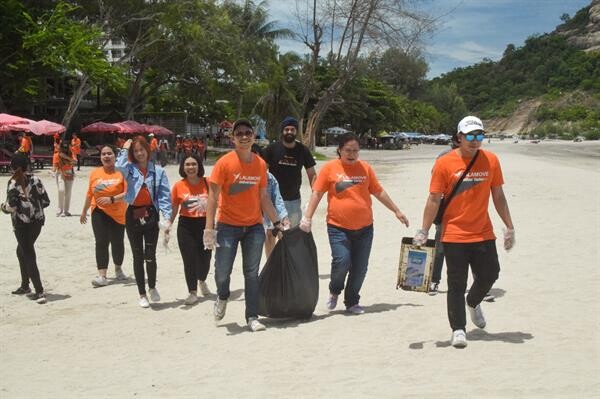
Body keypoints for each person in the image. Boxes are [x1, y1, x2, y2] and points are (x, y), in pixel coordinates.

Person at [413, 115, 515, 348]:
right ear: (459, 137)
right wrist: (424, 230)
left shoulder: (491, 160)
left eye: (479, 135)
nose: (475, 140)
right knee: (456, 283)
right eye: (470, 135)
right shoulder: (444, 163)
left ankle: (473, 301)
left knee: (491, 274)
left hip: (483, 232)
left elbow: (498, 196)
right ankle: (458, 329)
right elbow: (433, 199)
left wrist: (509, 226)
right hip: (453, 234)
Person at [300, 133, 409, 314]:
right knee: (342, 261)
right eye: (348, 150)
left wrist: (396, 210)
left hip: (365, 228)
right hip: (337, 227)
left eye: (355, 151)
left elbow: (378, 192)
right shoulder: (330, 169)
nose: (351, 154)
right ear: (340, 151)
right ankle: (335, 290)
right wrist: (308, 218)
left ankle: (351, 301)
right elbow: (317, 193)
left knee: (360, 267)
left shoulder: (365, 168)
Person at [204, 118, 282, 332]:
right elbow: (212, 197)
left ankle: (252, 316)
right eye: (239, 133)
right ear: (232, 138)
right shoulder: (224, 163)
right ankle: (222, 296)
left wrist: (276, 221)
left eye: (248, 132)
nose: (245, 136)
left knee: (251, 272)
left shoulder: (260, 164)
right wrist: (209, 229)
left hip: (254, 227)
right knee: (222, 272)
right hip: (227, 226)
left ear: (254, 135)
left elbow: (264, 197)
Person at [117, 137, 172, 308]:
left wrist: (167, 217)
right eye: (136, 151)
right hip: (132, 214)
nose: (139, 153)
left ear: (148, 150)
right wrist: (125, 149)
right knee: (137, 255)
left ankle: (152, 287)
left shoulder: (158, 171)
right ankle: (142, 293)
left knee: (150, 254)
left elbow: (164, 196)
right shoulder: (129, 169)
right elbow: (118, 166)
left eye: (142, 150)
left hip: (151, 214)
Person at [1, 153, 50, 304]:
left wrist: (2, 207)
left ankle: (39, 290)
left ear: (13, 167)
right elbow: (46, 201)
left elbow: (11, 206)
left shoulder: (13, 182)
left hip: (21, 225)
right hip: (37, 223)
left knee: (28, 254)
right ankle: (25, 285)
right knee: (21, 252)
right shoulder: (36, 179)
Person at [80, 145, 128, 287]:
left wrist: (112, 199)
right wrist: (84, 211)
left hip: (118, 213)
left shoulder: (122, 172)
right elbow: (90, 194)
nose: (106, 156)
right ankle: (102, 275)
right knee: (101, 241)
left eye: (109, 154)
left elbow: (128, 193)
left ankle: (118, 269)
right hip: (98, 211)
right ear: (100, 157)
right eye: (103, 154)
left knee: (117, 242)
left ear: (115, 156)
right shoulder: (95, 173)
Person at [169, 153, 212, 305]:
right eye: (187, 164)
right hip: (186, 226)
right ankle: (192, 292)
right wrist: (169, 224)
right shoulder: (178, 186)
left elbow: (217, 202)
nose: (191, 167)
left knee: (205, 259)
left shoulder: (208, 182)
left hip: (206, 225)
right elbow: (174, 208)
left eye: (194, 164)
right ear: (183, 167)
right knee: (189, 259)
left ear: (199, 166)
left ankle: (202, 280)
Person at [264, 116, 317, 227]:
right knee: (271, 233)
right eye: (286, 129)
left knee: (292, 234)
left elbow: (312, 175)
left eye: (292, 130)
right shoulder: (271, 149)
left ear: (296, 132)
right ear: (282, 131)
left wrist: (314, 196)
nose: (289, 132)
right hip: (272, 200)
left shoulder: (303, 150)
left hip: (293, 200)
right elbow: (262, 172)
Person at [250, 146, 289, 257]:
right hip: (248, 219)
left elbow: (278, 200)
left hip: (267, 218)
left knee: (271, 233)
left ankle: (270, 266)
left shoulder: (270, 178)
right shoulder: (240, 178)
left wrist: (284, 217)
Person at [52, 143, 76, 217]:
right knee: (61, 190)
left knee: (68, 193)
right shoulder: (56, 155)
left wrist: (68, 158)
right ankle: (60, 209)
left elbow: (74, 162)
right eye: (63, 148)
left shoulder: (71, 154)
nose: (65, 149)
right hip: (60, 173)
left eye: (66, 148)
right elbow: (54, 167)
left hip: (69, 173)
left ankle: (66, 211)